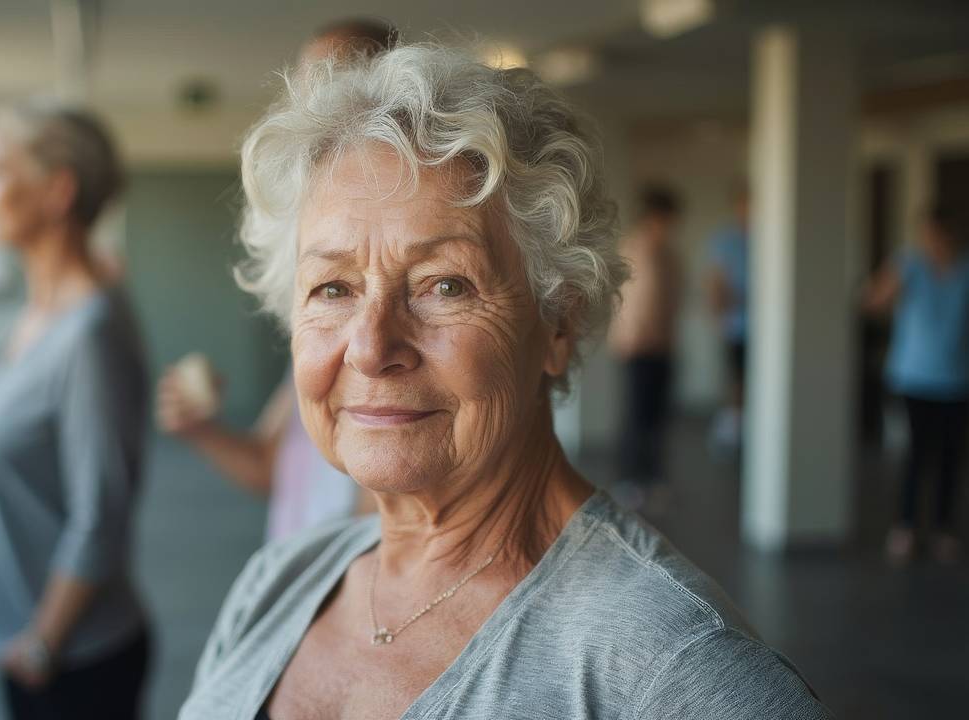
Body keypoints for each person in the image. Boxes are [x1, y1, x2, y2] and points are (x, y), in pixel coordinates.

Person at [180, 44, 830, 719]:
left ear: (557, 324)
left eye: (444, 285)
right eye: (333, 288)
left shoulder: (678, 672)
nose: (372, 348)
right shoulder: (276, 583)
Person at [0, 100, 152, 719]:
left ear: (56, 191)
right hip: (20, 641)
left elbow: (102, 514)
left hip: (73, 657)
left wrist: (44, 642)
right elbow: (3, 435)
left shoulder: (88, 335)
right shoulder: (38, 317)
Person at [155, 17, 397, 541]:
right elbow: (273, 466)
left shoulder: (386, 341)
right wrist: (202, 430)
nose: (322, 107)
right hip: (302, 585)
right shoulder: (314, 314)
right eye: (333, 288)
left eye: (347, 80)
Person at [865, 204, 969, 565]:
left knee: (951, 456)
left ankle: (943, 528)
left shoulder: (964, 269)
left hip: (956, 378)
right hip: (913, 376)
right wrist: (893, 277)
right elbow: (872, 302)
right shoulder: (909, 265)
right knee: (917, 453)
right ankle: (906, 525)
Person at [609, 186, 683, 510]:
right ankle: (630, 478)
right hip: (638, 347)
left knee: (657, 416)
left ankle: (653, 476)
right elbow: (628, 302)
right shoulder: (634, 249)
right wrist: (631, 338)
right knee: (637, 416)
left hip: (662, 346)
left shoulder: (668, 255)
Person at [706, 184, 749, 453]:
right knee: (736, 380)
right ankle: (732, 431)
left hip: (766, 328)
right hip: (737, 324)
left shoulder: (771, 234)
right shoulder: (726, 240)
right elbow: (715, 283)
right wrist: (718, 313)